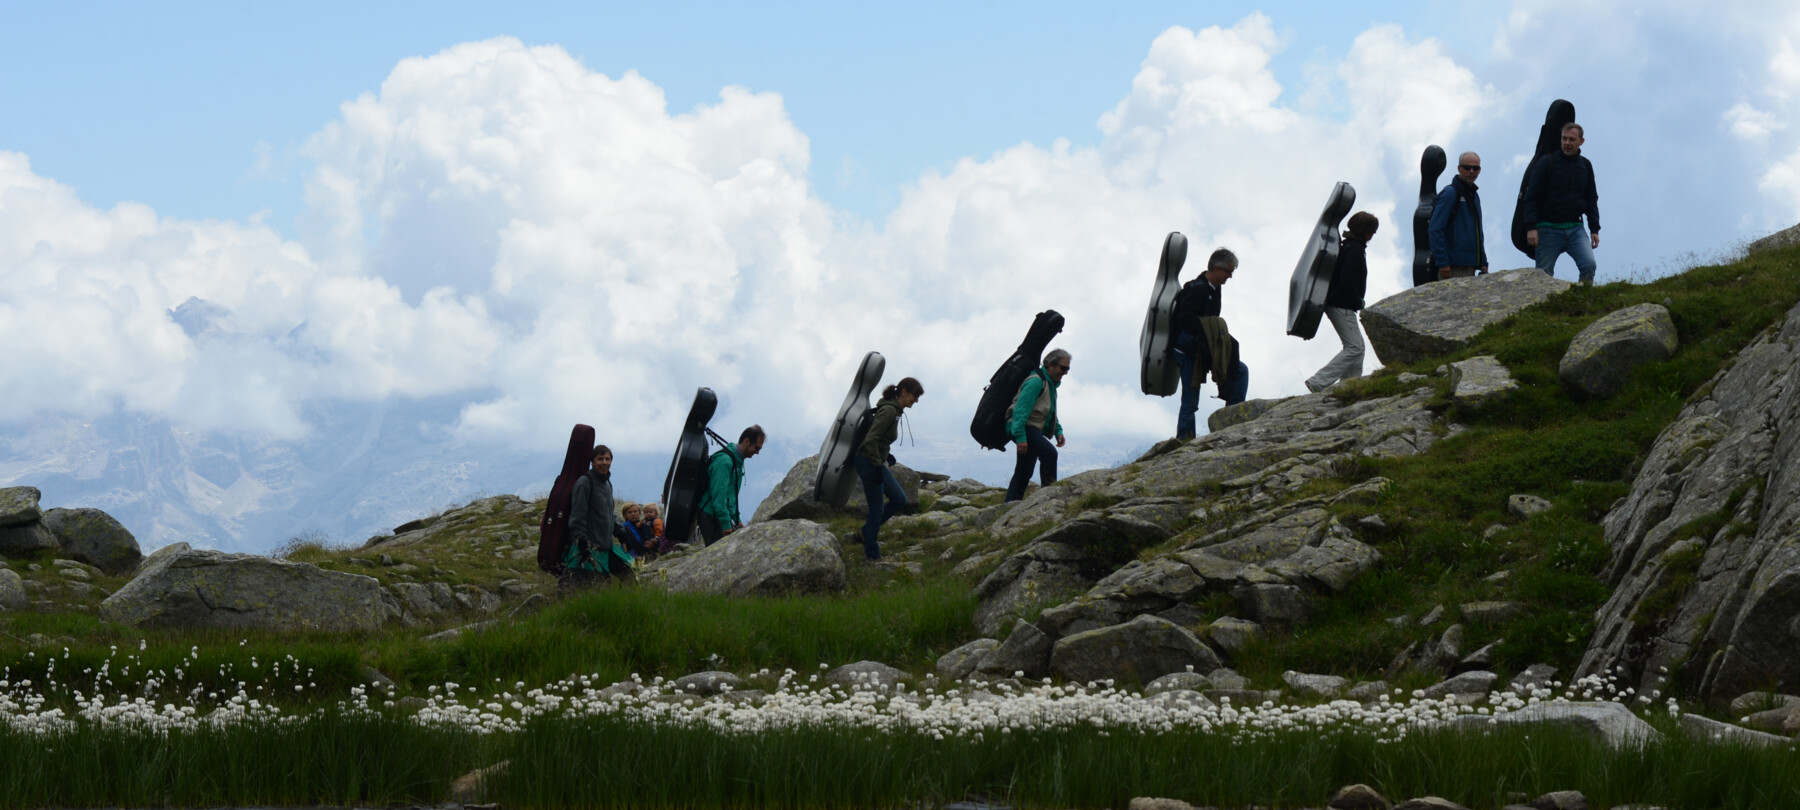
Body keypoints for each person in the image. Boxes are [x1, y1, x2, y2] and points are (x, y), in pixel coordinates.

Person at [1170, 248, 1249, 439]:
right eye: (1228, 272)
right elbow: (1184, 320)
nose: (1230, 277)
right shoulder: (1198, 289)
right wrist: (1208, 331)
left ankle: (1231, 418)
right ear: (1216, 268)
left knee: (1240, 370)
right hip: (1188, 350)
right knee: (1190, 400)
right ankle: (1185, 441)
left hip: (1204, 347)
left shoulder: (1215, 288)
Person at [1306, 212, 1378, 393]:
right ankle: (1318, 382)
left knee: (1357, 348)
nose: (1372, 236)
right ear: (1366, 232)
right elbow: (1348, 279)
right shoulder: (1354, 249)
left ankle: (1349, 386)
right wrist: (1357, 301)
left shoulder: (1347, 246)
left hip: (1337, 302)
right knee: (1355, 347)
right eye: (1372, 232)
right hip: (1342, 303)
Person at [853, 377, 924, 560]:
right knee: (877, 509)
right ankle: (872, 555)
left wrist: (886, 455)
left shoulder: (895, 410)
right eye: (914, 396)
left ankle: (865, 532)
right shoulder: (889, 411)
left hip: (874, 460)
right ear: (904, 392)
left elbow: (880, 439)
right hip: (868, 461)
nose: (916, 401)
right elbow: (870, 440)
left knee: (899, 499)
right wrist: (877, 465)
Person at [1522, 123, 1601, 285]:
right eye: (1564, 139)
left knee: (1589, 265)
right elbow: (1531, 196)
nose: (1567, 143)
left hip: (1575, 228)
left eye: (1572, 139)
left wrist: (1594, 229)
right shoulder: (1546, 162)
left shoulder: (1585, 165)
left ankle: (1583, 300)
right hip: (1547, 229)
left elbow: (1591, 198)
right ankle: (1542, 307)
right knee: (1543, 275)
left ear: (1581, 141)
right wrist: (1531, 227)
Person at [1005, 349, 1069, 502]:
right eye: (1063, 368)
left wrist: (1058, 431)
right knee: (1049, 453)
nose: (1065, 373)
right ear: (1050, 365)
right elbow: (1021, 410)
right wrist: (1020, 436)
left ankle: (1010, 504)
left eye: (1068, 369)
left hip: (1027, 428)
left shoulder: (1050, 384)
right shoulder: (1036, 382)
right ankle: (1049, 497)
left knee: (1024, 470)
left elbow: (1049, 410)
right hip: (1022, 427)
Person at [566, 445, 632, 583]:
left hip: (605, 547)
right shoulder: (585, 483)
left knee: (631, 576)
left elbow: (608, 513)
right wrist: (582, 544)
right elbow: (577, 516)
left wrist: (620, 532)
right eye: (600, 459)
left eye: (607, 459)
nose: (604, 462)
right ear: (592, 462)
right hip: (589, 549)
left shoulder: (607, 484)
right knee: (594, 590)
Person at [698, 425, 765, 545]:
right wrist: (725, 523)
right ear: (747, 441)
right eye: (756, 447)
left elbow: (731, 494)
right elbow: (719, 495)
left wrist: (736, 518)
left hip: (717, 514)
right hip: (710, 514)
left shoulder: (737, 461)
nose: (757, 452)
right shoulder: (725, 461)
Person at [1428, 151, 1488, 279]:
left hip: (1470, 267)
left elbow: (1478, 231)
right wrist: (1443, 263)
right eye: (1467, 167)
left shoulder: (1474, 195)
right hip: (1452, 268)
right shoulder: (1450, 193)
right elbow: (1435, 229)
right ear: (1459, 168)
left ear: (1479, 170)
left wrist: (1483, 262)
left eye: (1475, 168)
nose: (1471, 171)